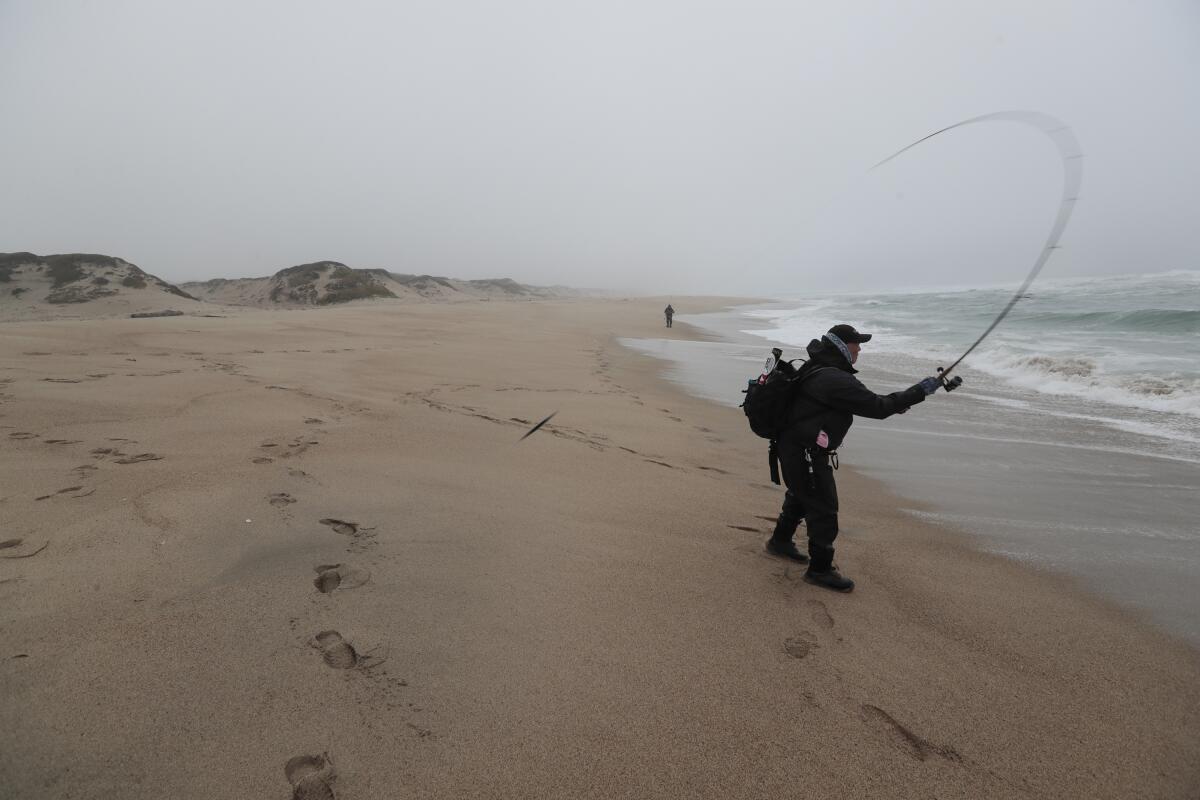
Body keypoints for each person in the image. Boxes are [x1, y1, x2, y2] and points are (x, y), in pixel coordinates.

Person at [764, 324, 947, 592]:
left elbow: (867, 403)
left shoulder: (820, 366)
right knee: (824, 507)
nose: (859, 349)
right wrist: (921, 390)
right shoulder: (834, 378)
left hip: (792, 446)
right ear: (842, 346)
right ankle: (820, 570)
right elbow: (878, 407)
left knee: (802, 493)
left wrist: (897, 403)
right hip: (805, 451)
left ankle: (780, 541)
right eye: (856, 344)